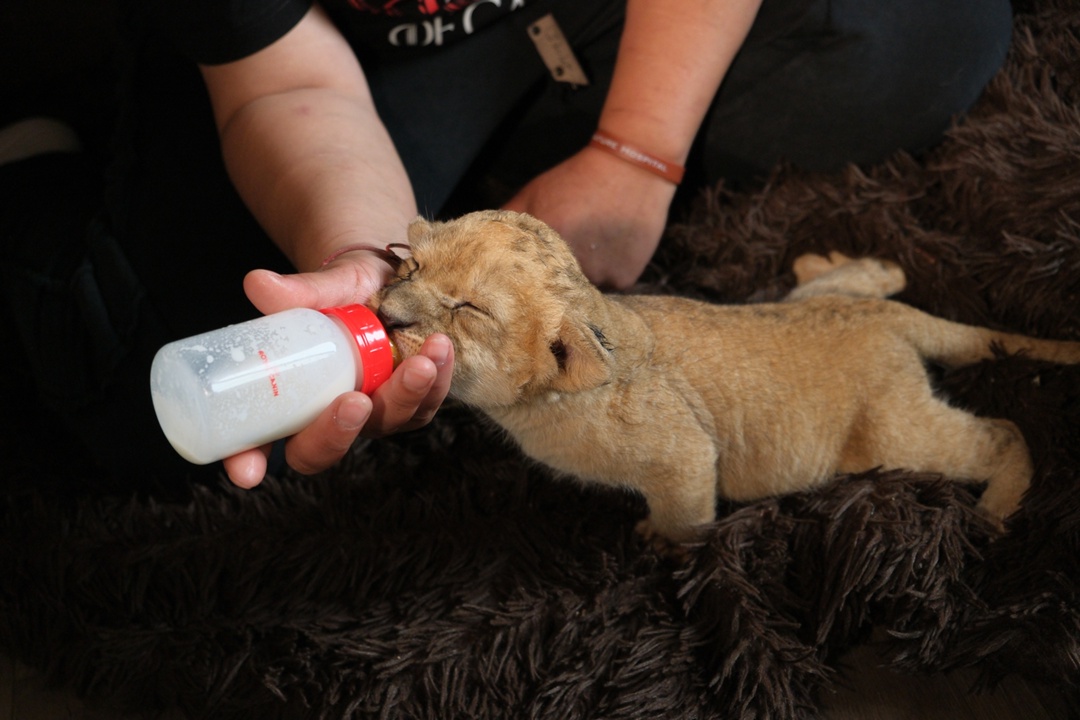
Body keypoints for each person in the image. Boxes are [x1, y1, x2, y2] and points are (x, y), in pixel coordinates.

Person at [0, 0, 1013, 491]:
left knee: (930, 33)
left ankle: (563, 139)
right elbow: (284, 82)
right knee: (139, 398)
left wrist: (637, 154)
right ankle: (36, 156)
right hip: (341, 66)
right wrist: (367, 251)